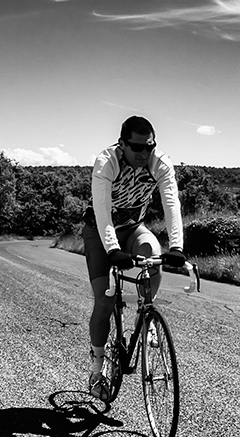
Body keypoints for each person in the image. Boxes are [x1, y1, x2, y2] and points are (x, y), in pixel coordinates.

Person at [83, 115, 185, 400]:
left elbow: (171, 204)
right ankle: (97, 367)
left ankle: (147, 317)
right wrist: (113, 250)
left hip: (132, 228)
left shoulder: (159, 163)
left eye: (149, 147)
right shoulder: (107, 163)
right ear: (122, 144)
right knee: (104, 299)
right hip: (99, 232)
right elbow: (102, 211)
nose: (143, 154)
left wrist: (176, 247)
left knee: (153, 255)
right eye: (137, 148)